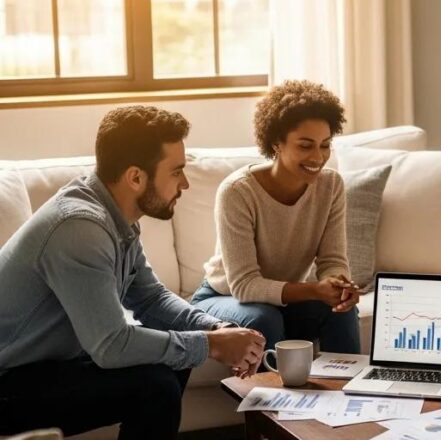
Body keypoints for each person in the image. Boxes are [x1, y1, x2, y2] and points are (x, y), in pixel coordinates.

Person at [0, 106, 265, 439]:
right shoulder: (80, 228)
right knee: (155, 386)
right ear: (136, 177)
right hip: (8, 381)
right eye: (176, 172)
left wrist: (217, 329)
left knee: (170, 365)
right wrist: (210, 345)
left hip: (43, 369)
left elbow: (151, 298)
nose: (184, 183)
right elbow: (110, 344)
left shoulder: (115, 217)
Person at [192, 80, 361, 354]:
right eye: (305, 146)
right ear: (276, 143)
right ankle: (270, 398)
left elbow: (333, 261)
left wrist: (337, 285)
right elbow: (245, 286)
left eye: (325, 145)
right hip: (222, 298)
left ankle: (350, 392)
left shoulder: (331, 186)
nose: (318, 157)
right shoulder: (238, 191)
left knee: (339, 309)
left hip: (281, 304)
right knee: (262, 318)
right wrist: (315, 290)